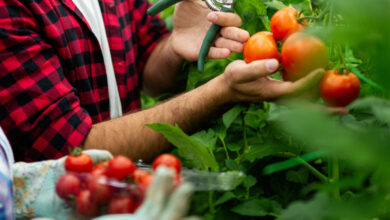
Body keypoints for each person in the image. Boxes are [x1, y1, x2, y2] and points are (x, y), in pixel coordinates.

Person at [0, 0, 325, 162]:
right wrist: (221, 92)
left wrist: (172, 48)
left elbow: (146, 75)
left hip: (132, 199)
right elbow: (74, 152)